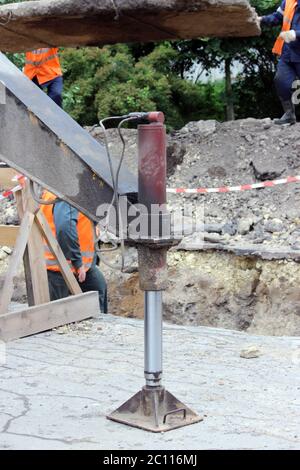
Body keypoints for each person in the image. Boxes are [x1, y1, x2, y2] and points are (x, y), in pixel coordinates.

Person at [40, 190, 108, 313]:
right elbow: (64, 228)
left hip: (78, 265)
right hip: (60, 266)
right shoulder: (68, 192)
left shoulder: (55, 188)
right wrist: (78, 263)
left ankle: (96, 328)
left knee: (97, 287)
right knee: (57, 317)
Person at [260, 0, 300, 125]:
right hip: (288, 52)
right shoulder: (288, 1)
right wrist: (260, 19)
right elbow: (277, 17)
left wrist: (297, 34)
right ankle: (289, 114)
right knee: (281, 80)